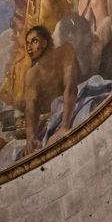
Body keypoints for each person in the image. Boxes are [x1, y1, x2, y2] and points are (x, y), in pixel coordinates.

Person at [22, 26, 80, 154]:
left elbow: (70, 88)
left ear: (44, 42)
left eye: (34, 41)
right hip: (52, 116)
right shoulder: (32, 74)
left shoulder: (65, 52)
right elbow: (30, 109)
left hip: (73, 104)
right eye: (27, 43)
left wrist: (64, 126)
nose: (29, 47)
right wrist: (31, 138)